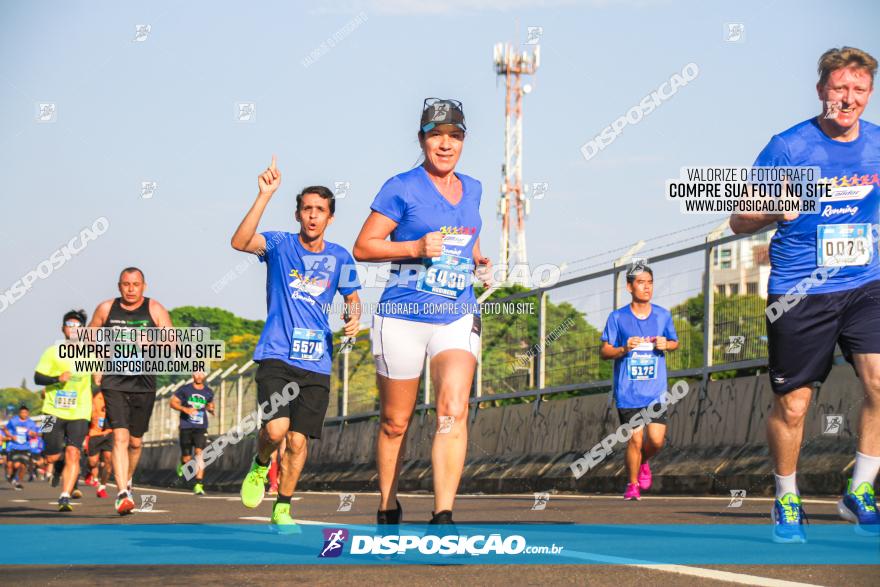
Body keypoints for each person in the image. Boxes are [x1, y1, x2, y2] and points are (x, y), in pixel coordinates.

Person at [731, 47, 880, 541]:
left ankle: (859, 490)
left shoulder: (878, 144)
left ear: (870, 93)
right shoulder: (789, 147)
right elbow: (738, 219)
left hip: (865, 283)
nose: (848, 99)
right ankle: (787, 495)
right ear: (821, 90)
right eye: (840, 88)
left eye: (859, 90)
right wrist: (775, 206)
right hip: (800, 290)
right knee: (793, 405)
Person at [353, 98, 491, 525]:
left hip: (456, 311)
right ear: (422, 140)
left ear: (464, 141)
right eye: (436, 135)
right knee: (396, 421)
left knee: (453, 408)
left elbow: (466, 235)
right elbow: (364, 247)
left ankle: (443, 513)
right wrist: (413, 247)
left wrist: (477, 260)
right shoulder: (401, 187)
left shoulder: (474, 188)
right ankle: (387, 503)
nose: (445, 144)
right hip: (402, 315)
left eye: (454, 136)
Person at [231, 157, 361, 531]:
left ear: (330, 218)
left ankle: (283, 507)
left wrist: (354, 316)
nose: (313, 216)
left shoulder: (340, 257)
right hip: (276, 353)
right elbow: (239, 241)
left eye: (320, 210)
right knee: (275, 431)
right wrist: (263, 195)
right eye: (307, 209)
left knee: (299, 441)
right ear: (298, 214)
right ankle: (259, 466)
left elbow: (352, 297)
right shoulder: (279, 244)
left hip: (317, 360)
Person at [89, 267, 173, 515]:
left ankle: (128, 479)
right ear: (119, 286)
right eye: (126, 284)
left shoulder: (154, 309)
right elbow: (89, 335)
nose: (131, 289)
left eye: (135, 284)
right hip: (114, 381)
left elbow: (172, 343)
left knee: (135, 442)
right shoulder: (106, 309)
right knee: (120, 437)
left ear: (143, 286)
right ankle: (122, 492)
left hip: (144, 382)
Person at [600, 265, 679, 501]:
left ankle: (643, 461)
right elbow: (604, 351)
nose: (647, 287)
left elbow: (675, 342)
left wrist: (667, 344)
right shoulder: (618, 317)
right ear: (629, 286)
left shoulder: (663, 315)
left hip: (655, 391)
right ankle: (632, 484)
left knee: (656, 440)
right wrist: (624, 348)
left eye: (650, 282)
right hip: (629, 391)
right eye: (641, 282)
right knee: (635, 438)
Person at [34, 309, 93, 512]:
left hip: (80, 411)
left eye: (78, 326)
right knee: (50, 456)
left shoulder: (91, 353)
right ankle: (58, 467)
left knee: (73, 452)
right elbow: (37, 378)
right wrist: (56, 379)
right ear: (63, 328)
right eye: (70, 325)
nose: (74, 329)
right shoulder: (52, 352)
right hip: (51, 411)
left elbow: (102, 376)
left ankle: (65, 496)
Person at [171, 371, 215, 495]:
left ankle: (199, 484)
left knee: (199, 453)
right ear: (193, 375)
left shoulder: (208, 391)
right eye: (197, 373)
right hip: (186, 426)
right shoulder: (185, 390)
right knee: (187, 458)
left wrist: (211, 409)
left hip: (201, 427)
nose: (199, 376)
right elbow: (172, 402)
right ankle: (183, 462)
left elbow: (210, 404)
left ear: (205, 376)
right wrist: (184, 409)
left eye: (202, 374)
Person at [86, 387, 113, 499]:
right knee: (93, 462)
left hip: (109, 433)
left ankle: (102, 487)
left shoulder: (114, 394)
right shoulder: (94, 394)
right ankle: (89, 472)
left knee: (108, 461)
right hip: (94, 434)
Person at [4, 406, 39, 490]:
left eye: (25, 413)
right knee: (12, 465)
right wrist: (11, 436)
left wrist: (32, 434)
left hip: (25, 447)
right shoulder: (13, 421)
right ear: (19, 413)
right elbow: (5, 429)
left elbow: (35, 434)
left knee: (23, 466)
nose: (24, 414)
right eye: (22, 412)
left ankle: (18, 482)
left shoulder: (31, 423)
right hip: (14, 446)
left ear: (28, 413)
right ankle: (10, 476)